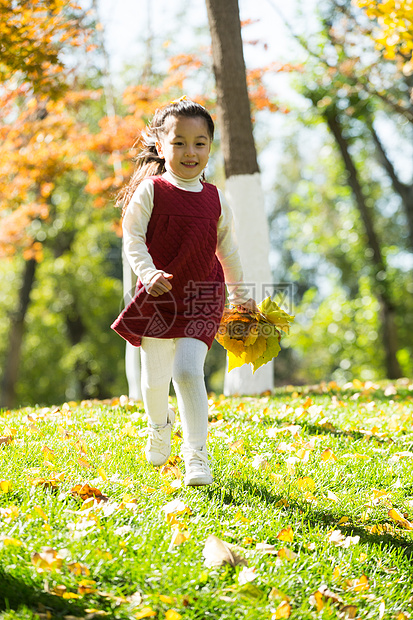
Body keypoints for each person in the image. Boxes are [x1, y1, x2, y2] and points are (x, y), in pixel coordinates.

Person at [111, 97, 257, 487]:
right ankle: (159, 426)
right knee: (155, 378)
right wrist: (147, 272)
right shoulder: (150, 192)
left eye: (199, 142)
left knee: (188, 371)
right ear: (161, 146)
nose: (190, 152)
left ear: (210, 146)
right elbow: (133, 240)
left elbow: (228, 250)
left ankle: (197, 457)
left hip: (203, 296)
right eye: (179, 142)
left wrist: (241, 296)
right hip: (160, 294)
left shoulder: (216, 199)